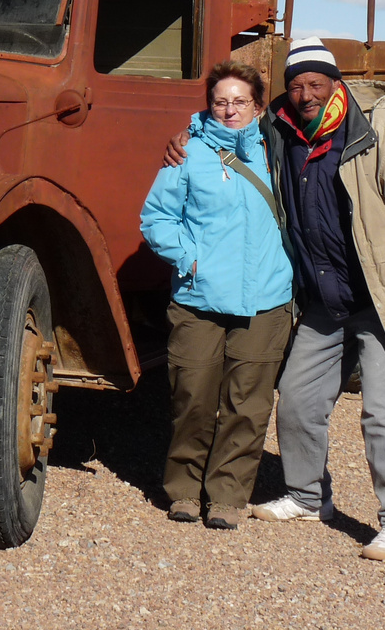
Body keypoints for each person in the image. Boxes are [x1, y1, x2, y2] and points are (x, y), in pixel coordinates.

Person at [164, 38, 385, 559]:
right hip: (322, 300)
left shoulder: (379, 130)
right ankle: (305, 494)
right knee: (297, 397)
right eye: (296, 85)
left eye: (316, 83)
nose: (306, 93)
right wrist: (184, 134)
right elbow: (228, 116)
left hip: (379, 298)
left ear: (335, 83)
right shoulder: (281, 128)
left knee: (383, 411)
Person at [140, 60, 296, 531]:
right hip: (198, 298)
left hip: (266, 299)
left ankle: (228, 495)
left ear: (258, 105)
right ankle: (185, 490)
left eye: (240, 102)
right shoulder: (187, 153)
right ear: (209, 105)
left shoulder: (278, 151)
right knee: (193, 397)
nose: (229, 110)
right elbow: (157, 217)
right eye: (220, 102)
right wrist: (190, 260)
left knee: (247, 404)